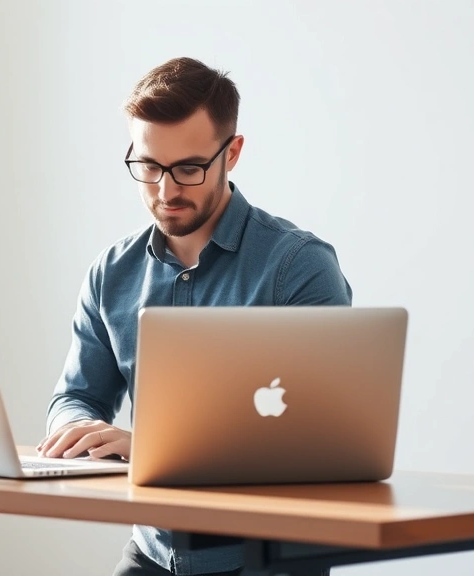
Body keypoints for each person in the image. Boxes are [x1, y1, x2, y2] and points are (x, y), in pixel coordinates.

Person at [37, 57, 353, 576]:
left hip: (268, 556)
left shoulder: (297, 267)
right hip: (154, 552)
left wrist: (157, 450)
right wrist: (79, 429)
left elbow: (324, 438)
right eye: (148, 167)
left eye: (188, 168)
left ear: (233, 153)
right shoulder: (110, 273)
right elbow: (75, 396)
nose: (165, 191)